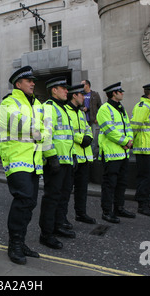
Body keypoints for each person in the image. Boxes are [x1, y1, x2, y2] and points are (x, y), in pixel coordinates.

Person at [0, 66, 44, 264]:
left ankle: (21, 242)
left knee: (30, 203)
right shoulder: (9, 102)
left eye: (33, 80)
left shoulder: (37, 104)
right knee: (24, 199)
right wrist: (38, 130)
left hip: (34, 161)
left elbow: (47, 127)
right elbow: (18, 124)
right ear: (18, 84)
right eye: (29, 81)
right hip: (16, 159)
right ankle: (14, 245)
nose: (33, 83)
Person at [39, 77, 76, 250]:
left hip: (66, 160)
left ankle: (58, 225)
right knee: (52, 198)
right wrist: (51, 156)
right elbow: (45, 134)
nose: (66, 91)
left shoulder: (64, 108)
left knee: (64, 196)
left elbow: (68, 137)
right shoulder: (48, 107)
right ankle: (46, 234)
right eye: (63, 88)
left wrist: (73, 155)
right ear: (54, 90)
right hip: (55, 160)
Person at [96, 82, 135, 224]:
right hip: (112, 153)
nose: (122, 93)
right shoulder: (104, 109)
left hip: (123, 153)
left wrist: (130, 140)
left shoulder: (121, 108)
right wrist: (126, 142)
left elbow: (127, 126)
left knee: (121, 183)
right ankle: (107, 211)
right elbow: (109, 130)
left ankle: (119, 207)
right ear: (114, 93)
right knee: (109, 184)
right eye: (120, 91)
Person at [65, 84, 96, 224]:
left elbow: (87, 127)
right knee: (65, 190)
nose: (84, 97)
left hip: (84, 157)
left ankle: (81, 213)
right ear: (74, 95)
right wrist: (81, 139)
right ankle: (62, 218)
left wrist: (89, 137)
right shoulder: (65, 111)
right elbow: (66, 131)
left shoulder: (81, 112)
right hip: (73, 156)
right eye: (81, 94)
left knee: (82, 188)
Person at [131, 82, 150, 217]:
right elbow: (134, 126)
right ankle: (142, 205)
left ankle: (145, 197)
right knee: (145, 176)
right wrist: (130, 142)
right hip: (144, 148)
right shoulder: (142, 107)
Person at [81, 80, 102, 159]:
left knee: (92, 138)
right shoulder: (81, 94)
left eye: (82, 84)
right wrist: (82, 108)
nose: (81, 86)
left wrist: (98, 118)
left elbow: (100, 107)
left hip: (93, 120)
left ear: (88, 85)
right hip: (83, 120)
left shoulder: (95, 94)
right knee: (85, 138)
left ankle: (92, 155)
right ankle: (85, 154)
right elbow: (78, 105)